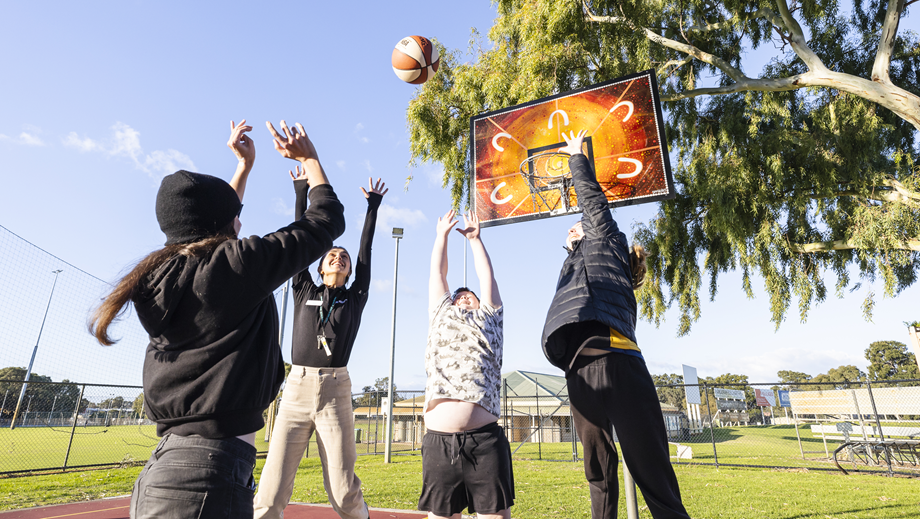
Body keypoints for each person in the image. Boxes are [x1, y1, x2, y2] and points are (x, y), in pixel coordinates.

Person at [89, 119, 345, 519]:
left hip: (171, 468)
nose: (241, 219)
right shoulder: (234, 266)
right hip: (206, 477)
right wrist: (310, 158)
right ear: (225, 225)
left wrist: (243, 169)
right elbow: (325, 220)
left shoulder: (157, 276)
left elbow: (209, 231)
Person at [541, 129, 691, 519]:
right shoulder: (580, 264)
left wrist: (577, 159)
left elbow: (593, 206)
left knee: (651, 471)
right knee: (598, 475)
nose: (575, 227)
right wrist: (572, 248)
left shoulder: (608, 240)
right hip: (580, 372)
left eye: (580, 226)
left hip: (618, 363)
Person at [253, 176, 387, 519]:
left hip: (335, 390)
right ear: (318, 264)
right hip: (296, 389)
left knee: (343, 492)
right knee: (269, 493)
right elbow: (301, 236)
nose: (339, 258)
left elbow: (365, 252)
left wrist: (373, 207)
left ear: (349, 269)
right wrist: (301, 191)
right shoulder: (303, 289)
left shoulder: (354, 296)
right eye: (332, 254)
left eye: (343, 257)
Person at [418, 209, 513, 519]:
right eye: (458, 296)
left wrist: (475, 240)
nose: (463, 298)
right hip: (439, 443)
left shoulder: (490, 318)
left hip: (485, 440)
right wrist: (440, 237)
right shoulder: (440, 315)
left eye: (469, 296)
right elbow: (438, 274)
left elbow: (487, 279)